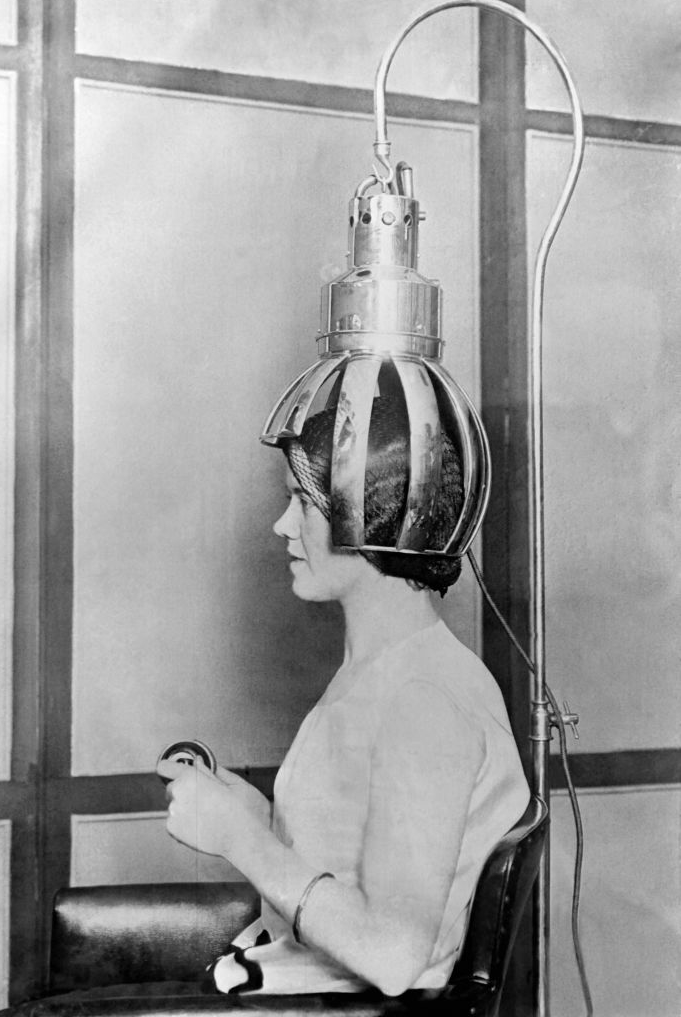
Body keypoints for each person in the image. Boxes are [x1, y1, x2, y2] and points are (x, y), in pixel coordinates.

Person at [156, 394, 530, 998]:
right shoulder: (388, 669)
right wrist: (251, 815)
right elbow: (355, 857)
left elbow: (391, 954)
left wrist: (239, 840)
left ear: (370, 515)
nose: (283, 526)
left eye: (302, 502)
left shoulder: (423, 701)